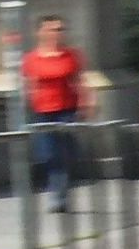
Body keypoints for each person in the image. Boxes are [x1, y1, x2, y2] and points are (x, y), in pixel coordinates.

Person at [21, 14, 93, 212]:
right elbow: (29, 86)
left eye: (60, 29)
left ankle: (59, 197)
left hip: (67, 110)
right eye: (53, 29)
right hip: (43, 112)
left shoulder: (71, 56)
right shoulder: (31, 59)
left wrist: (86, 103)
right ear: (41, 32)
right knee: (48, 155)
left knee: (64, 155)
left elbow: (79, 81)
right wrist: (29, 106)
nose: (57, 33)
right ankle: (57, 192)